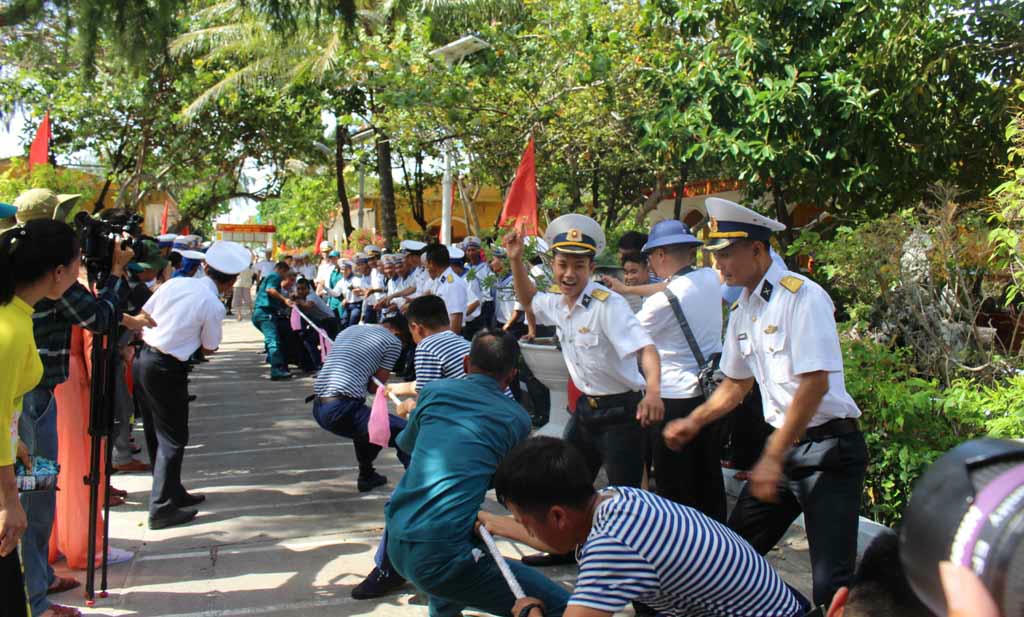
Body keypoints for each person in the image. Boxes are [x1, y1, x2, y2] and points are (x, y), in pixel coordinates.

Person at [663, 197, 867, 607]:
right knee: (730, 555)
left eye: (726, 254)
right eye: (716, 254)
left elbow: (815, 384)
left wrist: (772, 455)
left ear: (757, 249)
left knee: (831, 582)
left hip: (828, 452)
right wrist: (695, 421)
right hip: (786, 450)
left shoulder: (801, 297)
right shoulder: (745, 308)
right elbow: (736, 384)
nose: (718, 264)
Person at [483, 437, 808, 617]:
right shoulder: (617, 498)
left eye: (526, 523)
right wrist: (494, 524)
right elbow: (562, 540)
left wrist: (530, 612)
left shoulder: (612, 547)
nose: (527, 530)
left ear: (557, 516)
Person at [504, 214, 663, 567]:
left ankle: (630, 567)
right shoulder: (557, 301)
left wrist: (653, 392)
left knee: (625, 499)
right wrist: (515, 260)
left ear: (591, 268)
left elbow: (646, 349)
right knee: (564, 486)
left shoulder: (608, 305)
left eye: (578, 266)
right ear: (553, 265)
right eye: (562, 265)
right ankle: (566, 548)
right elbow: (528, 299)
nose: (569, 274)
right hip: (586, 412)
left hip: (621, 414)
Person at [385, 331, 569, 617]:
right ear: (512, 375)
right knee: (564, 608)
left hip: (396, 538)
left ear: (466, 363)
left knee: (450, 591)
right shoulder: (516, 419)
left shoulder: (434, 392)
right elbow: (505, 481)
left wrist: (415, 412)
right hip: (442, 554)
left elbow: (408, 444)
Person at [133, 241, 252, 530]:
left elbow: (144, 315)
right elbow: (210, 347)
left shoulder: (176, 283)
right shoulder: (212, 304)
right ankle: (161, 507)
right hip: (166, 367)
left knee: (156, 433)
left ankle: (172, 491)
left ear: (206, 267)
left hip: (144, 358)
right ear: (231, 281)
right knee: (173, 438)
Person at [1, 219, 87, 617]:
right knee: (31, 512)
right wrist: (8, 500)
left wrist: (15, 441)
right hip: (16, 445)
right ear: (58, 272)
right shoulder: (12, 328)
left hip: (21, 435)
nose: (79, 272)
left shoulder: (17, 315)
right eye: (77, 263)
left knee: (40, 500)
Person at [634, 220, 726, 521]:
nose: (650, 263)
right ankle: (719, 538)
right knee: (708, 477)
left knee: (675, 485)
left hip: (673, 399)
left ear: (661, 254)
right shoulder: (710, 278)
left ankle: (682, 540)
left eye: (650, 256)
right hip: (710, 394)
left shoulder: (661, 302)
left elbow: (628, 338)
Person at [311, 317, 412, 492]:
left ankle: (367, 475)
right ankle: (420, 487)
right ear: (399, 333)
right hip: (341, 408)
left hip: (319, 405)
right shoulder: (393, 342)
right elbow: (374, 387)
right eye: (405, 343)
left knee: (371, 426)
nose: (402, 347)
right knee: (407, 432)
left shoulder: (349, 330)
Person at [252, 261, 294, 381]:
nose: (285, 277)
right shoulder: (275, 276)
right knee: (273, 341)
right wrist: (284, 299)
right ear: (281, 270)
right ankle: (276, 369)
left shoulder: (270, 277)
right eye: (286, 274)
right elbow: (270, 290)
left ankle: (276, 364)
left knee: (272, 339)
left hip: (262, 313)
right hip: (265, 313)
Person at [421, 244, 470, 335]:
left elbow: (456, 317)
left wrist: (449, 341)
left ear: (431, 263)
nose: (426, 269)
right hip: (442, 333)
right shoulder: (440, 280)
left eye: (426, 265)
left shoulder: (452, 284)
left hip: (451, 336)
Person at [232, 254, 255, 321]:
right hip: (238, 283)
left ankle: (252, 312)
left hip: (246, 284)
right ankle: (239, 315)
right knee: (237, 299)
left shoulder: (251, 265)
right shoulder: (238, 265)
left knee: (248, 299)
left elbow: (252, 274)